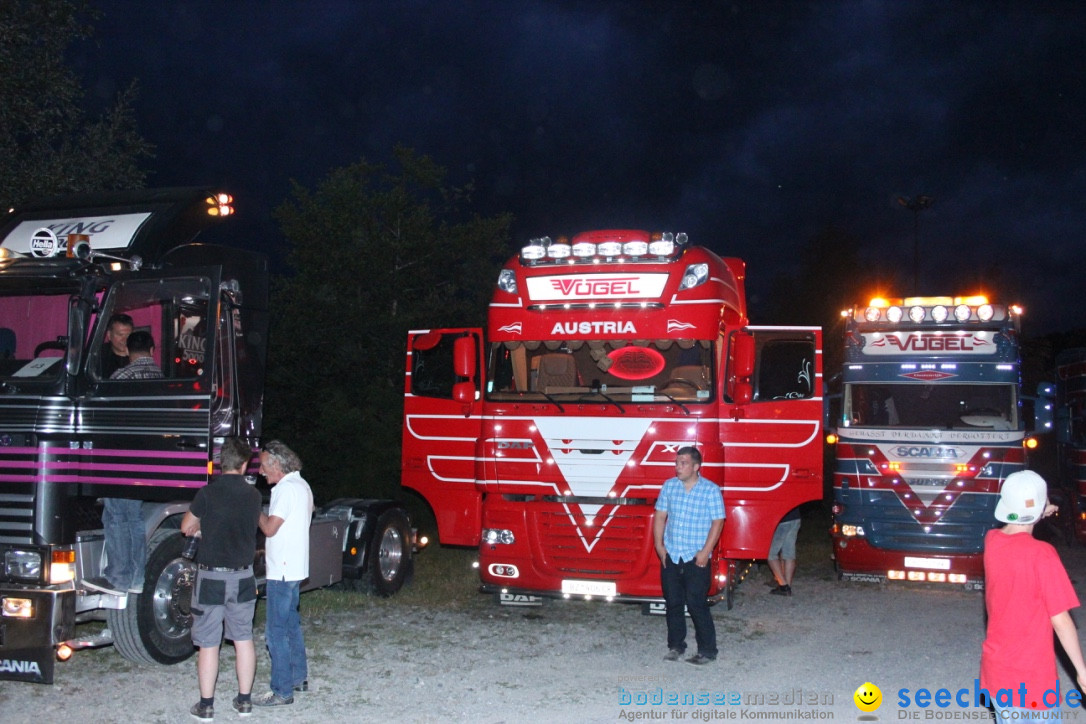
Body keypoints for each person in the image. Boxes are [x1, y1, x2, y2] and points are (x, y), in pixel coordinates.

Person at [980, 470, 1086, 719]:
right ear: (1039, 509)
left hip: (997, 674)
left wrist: (1037, 511)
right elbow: (1061, 621)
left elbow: (1017, 525)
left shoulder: (992, 541)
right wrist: (1081, 670)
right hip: (1032, 680)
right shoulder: (1042, 554)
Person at [181, 437, 262, 721]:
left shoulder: (207, 493)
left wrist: (206, 527)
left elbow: (186, 526)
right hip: (243, 576)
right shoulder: (254, 496)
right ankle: (244, 701)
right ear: (243, 465)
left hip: (212, 576)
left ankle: (206, 706)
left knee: (208, 642)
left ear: (220, 463)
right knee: (243, 638)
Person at [254, 440, 315, 707]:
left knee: (275, 632)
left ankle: (281, 691)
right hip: (297, 567)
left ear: (277, 465)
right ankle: (298, 677)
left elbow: (269, 528)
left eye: (264, 466)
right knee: (291, 624)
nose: (260, 472)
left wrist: (254, 507)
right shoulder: (303, 486)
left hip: (282, 570)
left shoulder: (284, 489)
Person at [653, 446, 725, 665]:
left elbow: (718, 522)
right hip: (672, 555)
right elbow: (660, 516)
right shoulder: (669, 487)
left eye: (683, 463)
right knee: (673, 602)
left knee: (696, 603)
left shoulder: (710, 490)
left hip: (696, 556)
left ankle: (707, 650)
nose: (678, 467)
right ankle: (676, 646)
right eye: (677, 462)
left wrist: (705, 552)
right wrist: (659, 546)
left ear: (696, 466)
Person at [767, 507, 801, 596]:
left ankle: (783, 585)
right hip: (795, 517)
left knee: (770, 554)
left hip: (783, 519)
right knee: (789, 554)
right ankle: (787, 587)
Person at [100, 313, 134, 378]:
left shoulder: (137, 354)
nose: (125, 339)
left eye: (128, 335)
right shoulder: (99, 356)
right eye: (120, 335)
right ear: (109, 335)